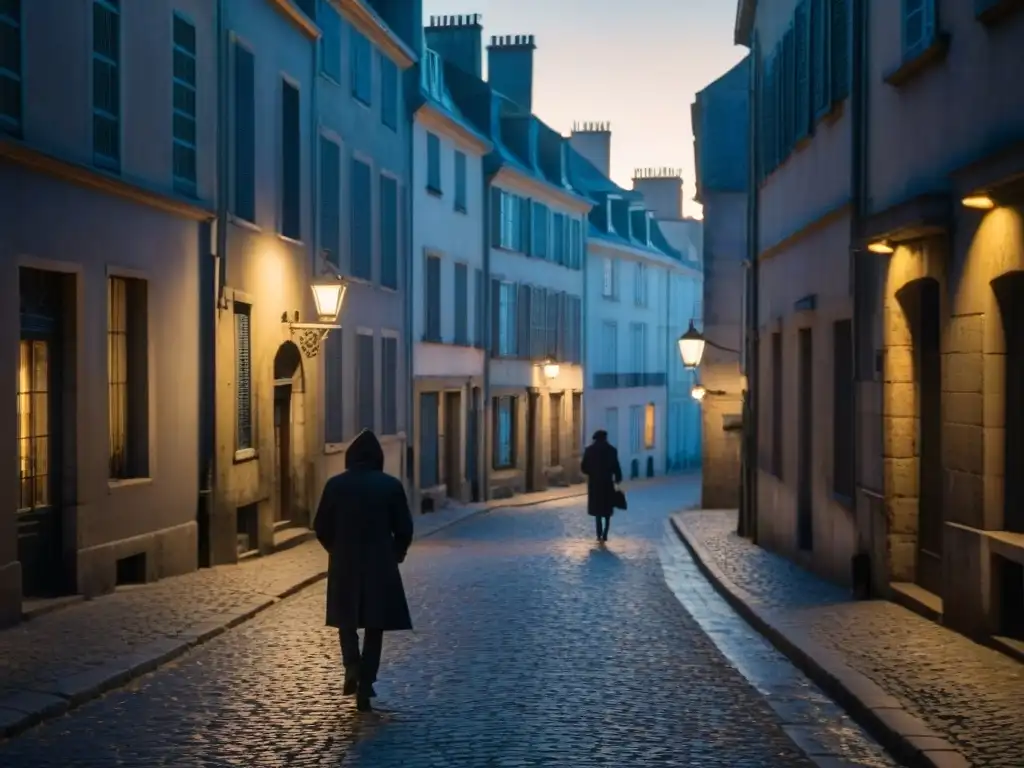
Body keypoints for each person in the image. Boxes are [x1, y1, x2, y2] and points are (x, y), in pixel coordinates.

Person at [313, 428, 414, 713]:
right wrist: (396, 553)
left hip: (345, 562)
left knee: (346, 620)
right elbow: (404, 528)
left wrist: (335, 549)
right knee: (374, 623)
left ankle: (351, 666)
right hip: (380, 563)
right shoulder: (390, 485)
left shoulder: (335, 485)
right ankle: (366, 680)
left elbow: (320, 526)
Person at [581, 429, 623, 543]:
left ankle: (598, 533)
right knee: (607, 510)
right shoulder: (612, 450)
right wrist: (618, 478)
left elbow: (583, 467)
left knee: (597, 511)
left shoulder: (589, 450)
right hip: (607, 483)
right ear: (605, 438)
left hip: (594, 484)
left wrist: (592, 472)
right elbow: (616, 466)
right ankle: (605, 533)